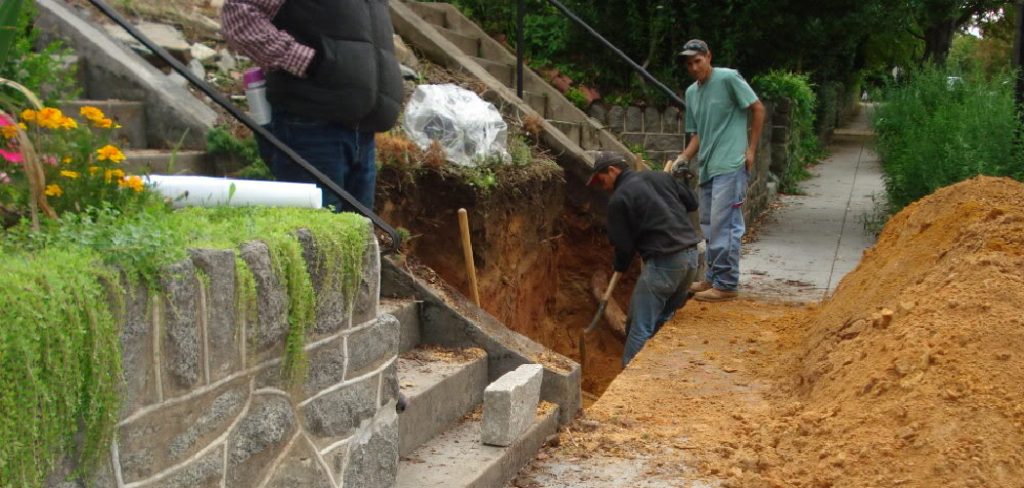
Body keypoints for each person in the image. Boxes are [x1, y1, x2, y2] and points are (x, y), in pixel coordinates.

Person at [222, 0, 403, 212]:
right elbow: (238, 15)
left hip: (362, 132)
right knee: (314, 236)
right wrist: (307, 62)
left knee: (357, 238)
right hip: (310, 127)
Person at [665, 39, 764, 302]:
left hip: (731, 163)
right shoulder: (691, 93)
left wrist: (751, 148)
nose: (694, 67)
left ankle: (727, 284)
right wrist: (683, 157)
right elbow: (698, 134)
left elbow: (757, 108)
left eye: (698, 61)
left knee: (725, 225)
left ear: (709, 57)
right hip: (707, 166)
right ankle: (713, 278)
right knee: (709, 225)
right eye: (689, 64)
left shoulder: (728, 78)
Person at [589, 152, 701, 366]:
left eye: (601, 180)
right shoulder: (661, 177)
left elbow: (624, 248)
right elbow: (692, 202)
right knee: (663, 319)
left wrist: (619, 265)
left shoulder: (619, 199)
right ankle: (655, 372)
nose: (602, 186)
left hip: (664, 264)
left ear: (612, 171)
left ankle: (629, 384)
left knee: (639, 327)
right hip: (691, 260)